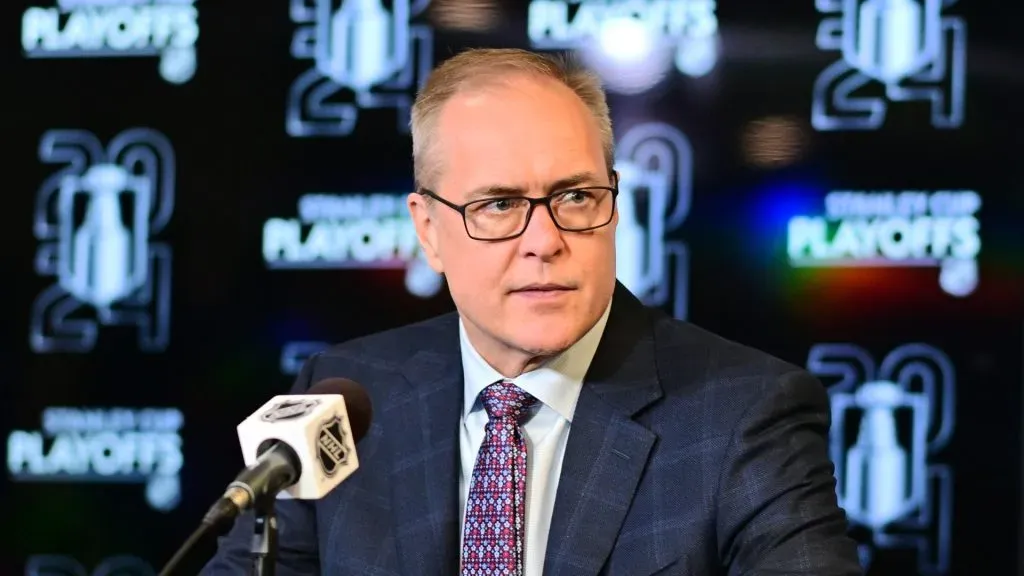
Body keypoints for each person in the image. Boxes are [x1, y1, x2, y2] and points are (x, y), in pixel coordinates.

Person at [201, 47, 862, 575]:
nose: (545, 240)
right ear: (428, 230)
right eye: (498, 205)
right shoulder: (343, 399)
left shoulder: (744, 415)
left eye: (575, 197)